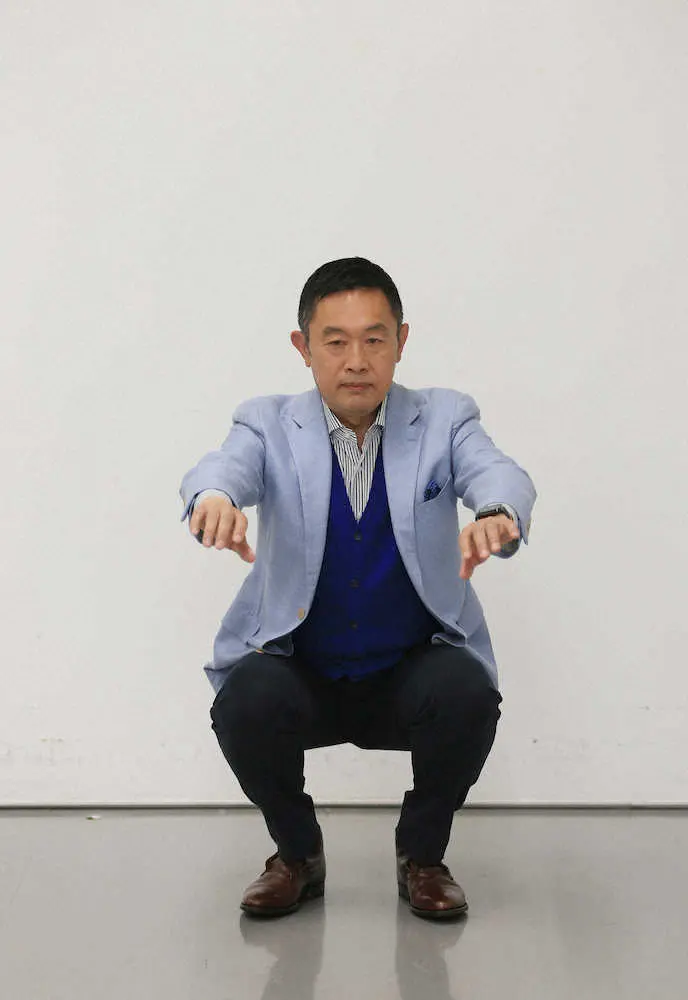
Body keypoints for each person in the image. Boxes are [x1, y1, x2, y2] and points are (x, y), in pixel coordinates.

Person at [179, 257, 536, 920]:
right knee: (244, 701)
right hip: (303, 671)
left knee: (467, 692)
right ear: (303, 347)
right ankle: (296, 855)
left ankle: (422, 857)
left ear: (402, 341)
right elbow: (222, 467)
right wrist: (215, 499)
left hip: (408, 670)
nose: (356, 361)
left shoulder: (445, 417)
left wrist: (495, 512)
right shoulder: (267, 423)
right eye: (335, 341)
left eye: (374, 339)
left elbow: (499, 472)